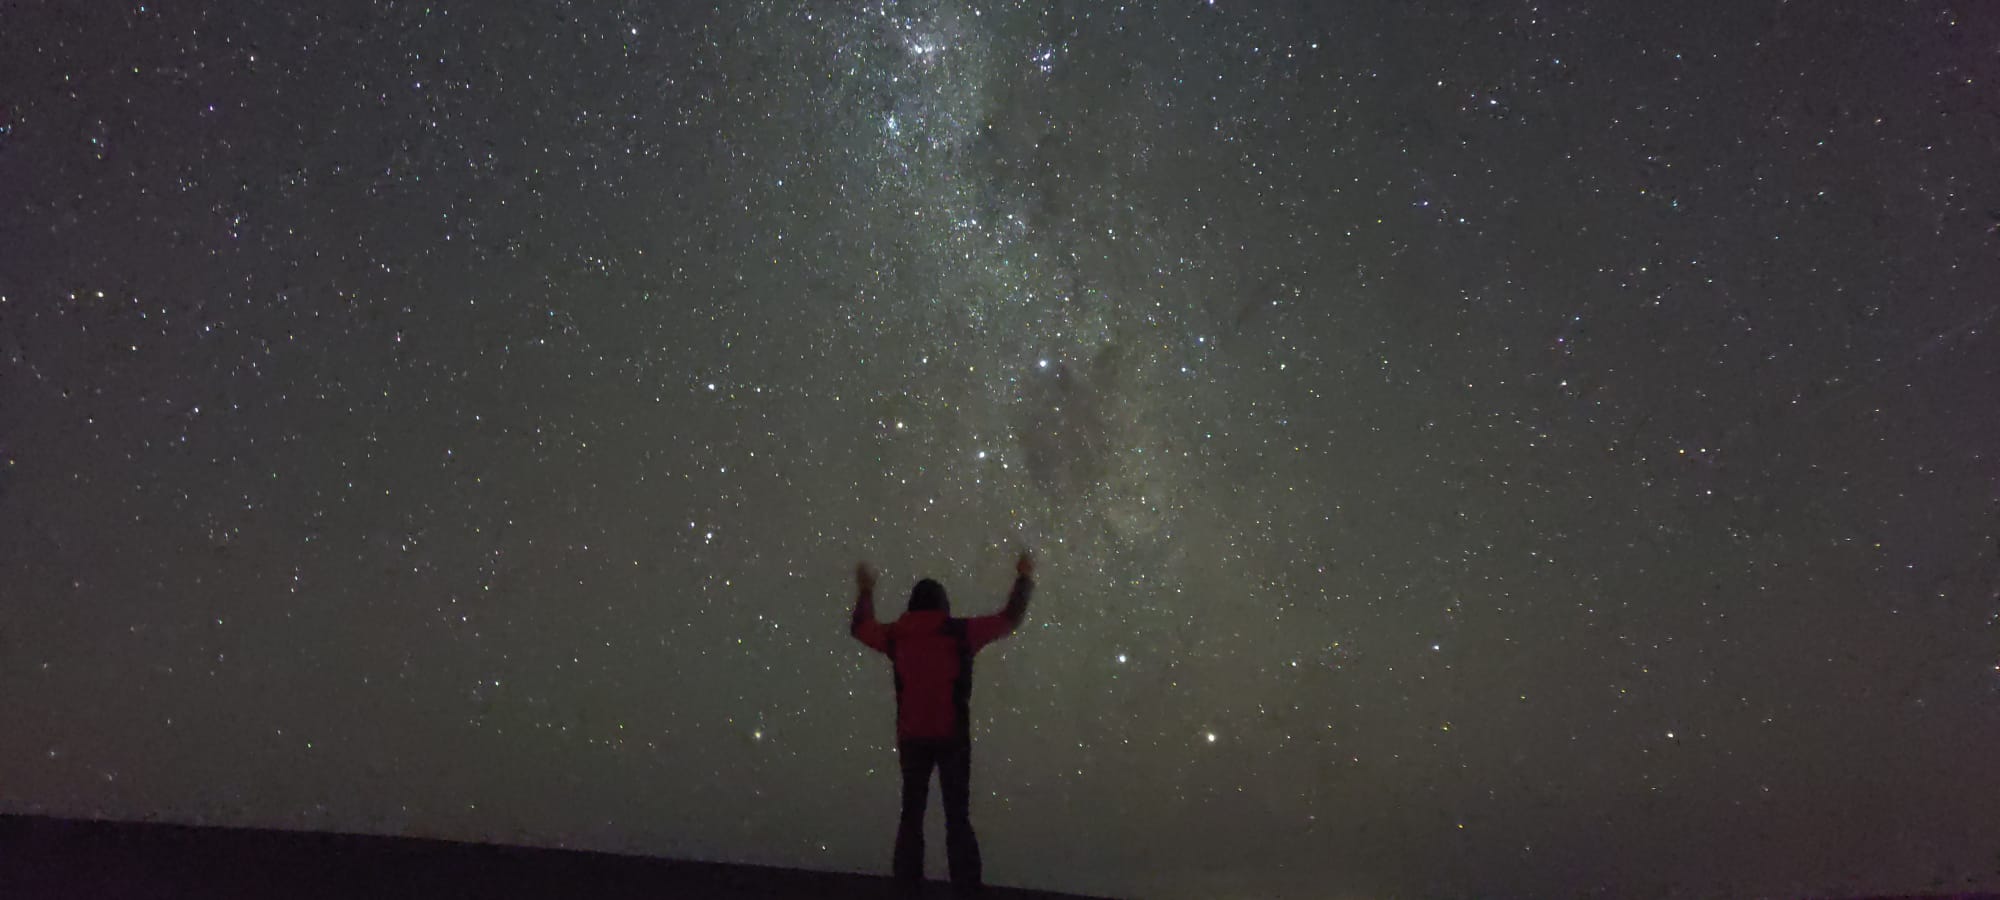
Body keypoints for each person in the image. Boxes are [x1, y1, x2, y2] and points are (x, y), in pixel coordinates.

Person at [850, 551, 1035, 894]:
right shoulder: (959, 632)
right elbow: (1011, 618)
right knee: (957, 820)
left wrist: (865, 590)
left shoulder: (898, 635)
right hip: (952, 737)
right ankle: (966, 889)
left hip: (911, 737)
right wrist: (1024, 577)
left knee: (911, 817)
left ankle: (907, 888)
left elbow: (860, 628)